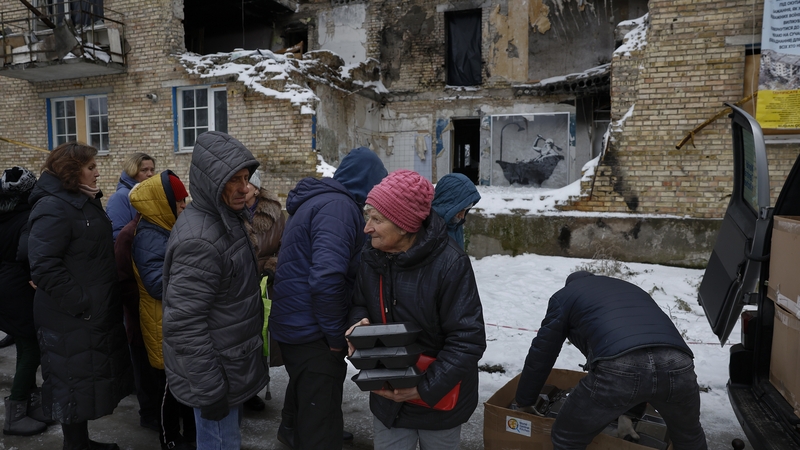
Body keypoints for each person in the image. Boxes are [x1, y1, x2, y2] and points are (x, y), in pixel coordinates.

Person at [346, 169, 487, 449]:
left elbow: (468, 340)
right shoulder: (371, 256)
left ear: (404, 225)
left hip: (439, 400)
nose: (367, 227)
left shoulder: (450, 264)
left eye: (377, 219)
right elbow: (359, 302)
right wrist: (358, 323)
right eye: (367, 216)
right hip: (387, 398)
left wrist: (422, 388)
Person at [270, 146, 387, 449]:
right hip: (313, 330)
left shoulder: (320, 202)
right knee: (321, 425)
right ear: (366, 181)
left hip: (296, 323)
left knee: (309, 394)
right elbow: (327, 278)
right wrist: (336, 336)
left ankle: (293, 428)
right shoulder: (339, 208)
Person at [514, 271, 708, 450]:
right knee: (689, 437)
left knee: (566, 436)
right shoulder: (628, 288)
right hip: (679, 363)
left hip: (620, 364)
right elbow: (647, 354)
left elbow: (542, 353)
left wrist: (525, 400)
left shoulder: (565, 296)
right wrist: (628, 415)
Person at [162, 131, 269, 450]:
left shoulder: (225, 219)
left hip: (229, 368)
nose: (244, 187)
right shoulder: (201, 240)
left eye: (246, 177)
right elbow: (184, 325)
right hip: (215, 376)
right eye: (232, 179)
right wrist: (209, 390)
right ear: (210, 181)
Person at [27, 142, 134, 450]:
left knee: (80, 380)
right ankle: (75, 445)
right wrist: (82, 303)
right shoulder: (53, 206)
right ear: (71, 172)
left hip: (85, 313)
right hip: (68, 316)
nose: (97, 172)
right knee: (70, 381)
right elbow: (44, 265)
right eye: (91, 167)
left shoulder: (80, 201)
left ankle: (81, 442)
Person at [129, 170, 195, 450]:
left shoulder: (164, 228)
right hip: (161, 321)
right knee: (169, 387)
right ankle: (169, 438)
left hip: (171, 319)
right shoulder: (149, 236)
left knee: (182, 384)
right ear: (163, 203)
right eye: (179, 201)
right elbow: (157, 285)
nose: (184, 206)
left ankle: (188, 436)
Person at [0, 167, 54, 436]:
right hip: (18, 287)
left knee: (26, 346)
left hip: (7, 286)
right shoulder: (26, 217)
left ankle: (31, 406)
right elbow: (25, 252)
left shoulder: (4, 213)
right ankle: (16, 414)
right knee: (30, 348)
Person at [243, 168, 286, 406]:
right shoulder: (232, 212)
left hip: (266, 283)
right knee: (242, 338)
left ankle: (255, 388)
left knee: (263, 336)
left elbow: (286, 246)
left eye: (247, 184)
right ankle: (245, 390)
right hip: (239, 283)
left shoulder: (276, 216)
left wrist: (272, 266)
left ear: (257, 189)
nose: (242, 189)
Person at [106, 152, 155, 241]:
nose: (150, 174)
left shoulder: (148, 195)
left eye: (152, 170)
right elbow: (118, 234)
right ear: (132, 171)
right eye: (144, 170)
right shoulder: (120, 197)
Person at [431, 173, 481, 250]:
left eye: (467, 209)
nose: (462, 216)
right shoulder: (430, 230)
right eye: (460, 210)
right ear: (448, 204)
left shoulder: (455, 224)